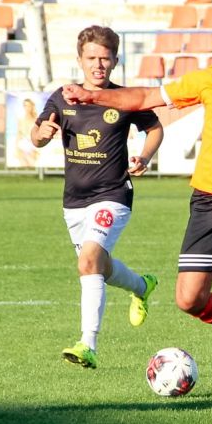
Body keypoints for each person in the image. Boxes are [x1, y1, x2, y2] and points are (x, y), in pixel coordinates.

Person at [63, 5, 212, 393]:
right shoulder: (210, 79)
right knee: (189, 299)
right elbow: (145, 97)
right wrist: (92, 97)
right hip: (207, 200)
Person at [32, 25, 164, 369]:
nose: (98, 65)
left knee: (89, 259)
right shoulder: (63, 97)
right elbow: (36, 136)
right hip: (74, 201)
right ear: (80, 59)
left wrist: (145, 156)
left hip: (113, 194)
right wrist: (42, 133)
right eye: (91, 58)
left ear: (115, 61)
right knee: (98, 266)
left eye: (105, 58)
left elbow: (154, 128)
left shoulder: (123, 98)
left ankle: (87, 344)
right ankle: (142, 286)